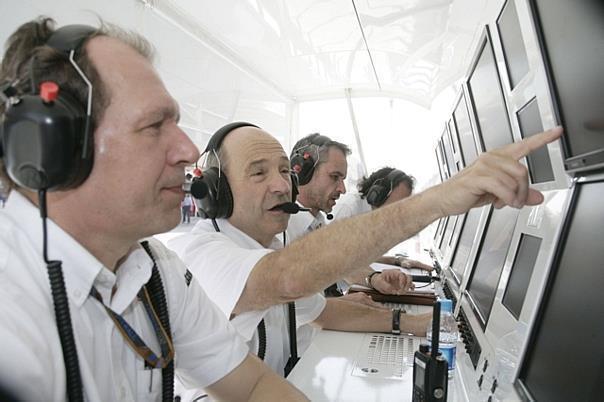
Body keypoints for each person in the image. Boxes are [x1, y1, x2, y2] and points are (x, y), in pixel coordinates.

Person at [0, 18, 307, 401]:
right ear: (55, 147)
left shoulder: (154, 268)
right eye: (154, 126)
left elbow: (252, 386)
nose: (189, 151)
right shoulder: (11, 313)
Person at [167, 122, 562, 379]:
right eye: (258, 173)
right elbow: (287, 278)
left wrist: (413, 326)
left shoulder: (270, 245)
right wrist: (437, 201)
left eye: (285, 171)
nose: (280, 186)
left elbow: (323, 310)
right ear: (216, 191)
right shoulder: (199, 251)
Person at [288, 136, 431, 297]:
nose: (342, 189)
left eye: (342, 179)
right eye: (334, 177)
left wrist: (375, 278)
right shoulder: (284, 231)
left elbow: (341, 261)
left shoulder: (317, 222)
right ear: (303, 172)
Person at [331, 166, 434, 271]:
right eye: (397, 203)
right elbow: (333, 261)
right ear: (378, 193)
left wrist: (397, 260)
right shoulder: (348, 209)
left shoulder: (374, 217)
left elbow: (359, 259)